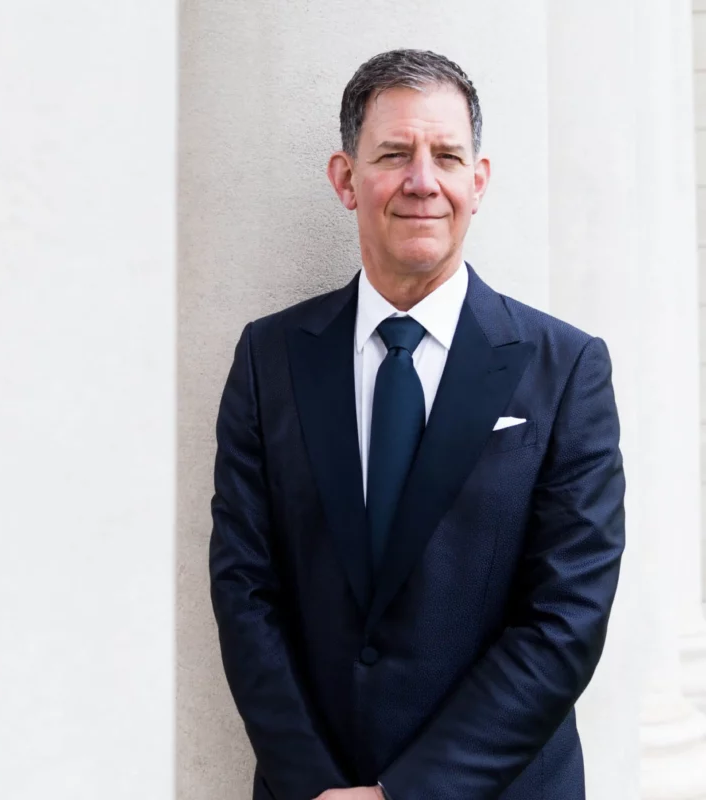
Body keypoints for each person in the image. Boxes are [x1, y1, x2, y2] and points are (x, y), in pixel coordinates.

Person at [209, 49, 625, 800]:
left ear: (479, 180)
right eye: (394, 154)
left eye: (447, 156)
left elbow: (566, 616)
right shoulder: (269, 357)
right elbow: (244, 588)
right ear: (346, 179)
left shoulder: (567, 368)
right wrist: (315, 786)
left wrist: (410, 792)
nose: (422, 181)